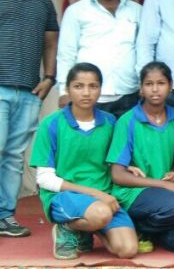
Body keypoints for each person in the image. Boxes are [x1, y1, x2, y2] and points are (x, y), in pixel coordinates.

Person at [29, 63, 138, 260]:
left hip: (104, 198)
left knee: (127, 249)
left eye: (93, 86)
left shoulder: (110, 122)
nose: (86, 92)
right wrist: (95, 194)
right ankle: (67, 227)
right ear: (68, 89)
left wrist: (127, 166)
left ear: (100, 90)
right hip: (64, 196)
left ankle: (87, 230)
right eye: (79, 86)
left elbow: (110, 159)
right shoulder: (51, 124)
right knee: (101, 213)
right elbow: (44, 179)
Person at [107, 62, 174, 253]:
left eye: (161, 83)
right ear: (141, 89)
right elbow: (117, 175)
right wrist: (167, 185)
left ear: (171, 86)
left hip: (165, 195)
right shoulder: (128, 121)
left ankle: (146, 229)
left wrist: (173, 173)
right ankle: (136, 224)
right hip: (133, 191)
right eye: (149, 84)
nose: (155, 89)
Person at [0, 0, 59, 238]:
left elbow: (51, 42)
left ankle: (6, 215)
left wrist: (49, 77)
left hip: (29, 91)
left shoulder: (43, 2)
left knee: (13, 155)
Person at [57, 0, 141, 118]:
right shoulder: (76, 11)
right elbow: (66, 53)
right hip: (87, 96)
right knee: (90, 144)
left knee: (125, 143)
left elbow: (143, 51)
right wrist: (63, 91)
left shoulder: (138, 11)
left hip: (128, 95)